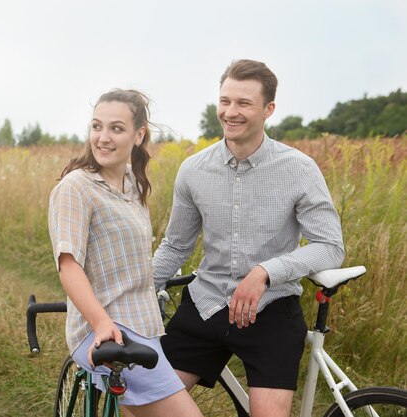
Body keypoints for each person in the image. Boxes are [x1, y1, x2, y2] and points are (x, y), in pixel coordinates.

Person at [153, 59, 345, 417]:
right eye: (225, 101)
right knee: (144, 405)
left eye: (243, 103)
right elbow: (176, 246)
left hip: (270, 309)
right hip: (206, 305)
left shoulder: (299, 169)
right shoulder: (193, 170)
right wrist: (132, 290)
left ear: (268, 109)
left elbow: (331, 247)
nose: (230, 112)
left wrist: (266, 272)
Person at [48, 89, 202, 417]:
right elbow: (68, 265)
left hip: (143, 325)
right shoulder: (76, 187)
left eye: (116, 128)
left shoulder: (133, 184)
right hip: (107, 328)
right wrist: (101, 323)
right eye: (96, 126)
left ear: (138, 135)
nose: (103, 138)